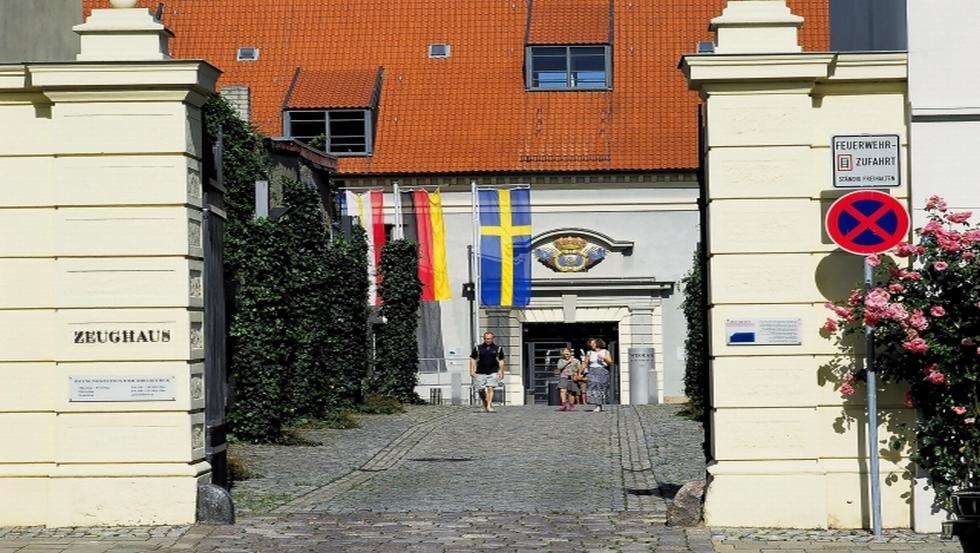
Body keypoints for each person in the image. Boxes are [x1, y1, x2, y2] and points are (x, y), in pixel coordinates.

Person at [470, 332, 505, 412]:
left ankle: (489, 406)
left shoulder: (498, 349)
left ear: (493, 338)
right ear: (484, 338)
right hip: (480, 371)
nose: (487, 340)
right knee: (481, 390)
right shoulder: (478, 348)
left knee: (490, 387)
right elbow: (472, 359)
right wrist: (471, 370)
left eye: (489, 339)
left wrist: (501, 371)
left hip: (493, 371)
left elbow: (501, 360)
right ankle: (485, 402)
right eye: (486, 338)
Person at [585, 337, 613, 412]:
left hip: (602, 371)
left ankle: (599, 405)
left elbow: (610, 362)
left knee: (601, 388)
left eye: (593, 343)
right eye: (591, 344)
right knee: (593, 387)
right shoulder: (589, 353)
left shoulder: (605, 351)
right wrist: (581, 372)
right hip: (592, 371)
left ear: (598, 344)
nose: (592, 345)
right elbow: (585, 363)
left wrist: (604, 358)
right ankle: (596, 405)